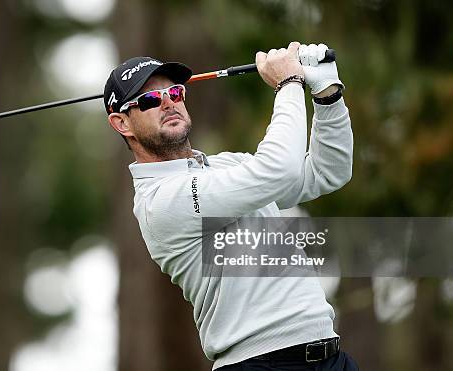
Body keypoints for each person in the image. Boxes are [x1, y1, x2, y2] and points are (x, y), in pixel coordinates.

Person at [103, 42, 358, 371]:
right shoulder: (161, 201)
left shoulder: (225, 166)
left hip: (330, 357)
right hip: (259, 364)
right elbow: (276, 171)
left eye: (175, 92)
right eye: (151, 99)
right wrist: (290, 83)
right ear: (122, 124)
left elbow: (327, 173)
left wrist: (327, 96)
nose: (168, 103)